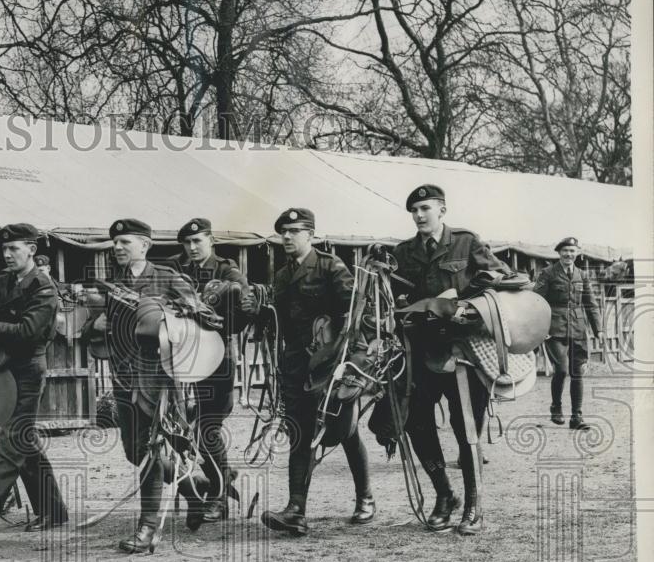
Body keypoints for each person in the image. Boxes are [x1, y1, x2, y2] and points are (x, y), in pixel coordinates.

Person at [77, 218, 210, 554]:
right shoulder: (111, 285)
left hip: (158, 379)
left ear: (145, 246)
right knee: (134, 450)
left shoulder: (166, 278)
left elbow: (206, 317)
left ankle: (147, 528)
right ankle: (193, 489)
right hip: (123, 377)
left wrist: (168, 316)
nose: (119, 248)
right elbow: (90, 333)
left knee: (151, 448)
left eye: (126, 242)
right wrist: (98, 322)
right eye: (116, 243)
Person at [391, 184, 509, 535]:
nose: (419, 215)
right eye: (414, 210)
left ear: (442, 209)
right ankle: (444, 495)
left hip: (463, 352)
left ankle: (473, 505)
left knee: (466, 428)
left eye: (425, 208)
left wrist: (466, 299)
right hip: (422, 351)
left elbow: (498, 277)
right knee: (415, 424)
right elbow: (397, 298)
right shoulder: (404, 252)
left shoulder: (466, 242)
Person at [252, 208, 375, 537]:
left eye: (295, 231)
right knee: (299, 433)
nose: (288, 237)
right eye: (284, 232)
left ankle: (365, 498)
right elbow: (279, 323)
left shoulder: (330, 267)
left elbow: (356, 314)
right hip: (295, 366)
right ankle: (296, 510)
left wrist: (353, 359)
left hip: (332, 364)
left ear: (311, 235)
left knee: (344, 431)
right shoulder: (281, 275)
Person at [0, 224, 69, 545]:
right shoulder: (0, 283)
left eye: (14, 249)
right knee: (25, 442)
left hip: (28, 371)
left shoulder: (44, 288)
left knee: (11, 444)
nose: (7, 255)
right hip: (0, 370)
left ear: (31, 250)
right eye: (4, 250)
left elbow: (29, 332)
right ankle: (54, 510)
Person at [168, 217, 249, 522]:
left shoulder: (227, 270)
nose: (192, 248)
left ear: (210, 240)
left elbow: (245, 307)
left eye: (197, 241)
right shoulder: (175, 268)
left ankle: (218, 497)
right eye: (187, 243)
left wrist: (216, 316)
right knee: (175, 431)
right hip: (179, 356)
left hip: (216, 357)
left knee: (207, 427)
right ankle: (218, 479)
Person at [534, 236, 604, 429]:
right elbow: (536, 302)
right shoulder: (548, 273)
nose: (568, 254)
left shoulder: (582, 275)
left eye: (572, 251)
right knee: (562, 369)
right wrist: (542, 329)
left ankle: (576, 418)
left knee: (577, 372)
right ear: (559, 253)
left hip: (578, 329)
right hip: (554, 329)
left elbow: (590, 303)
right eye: (565, 251)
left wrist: (599, 329)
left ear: (577, 253)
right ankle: (556, 407)